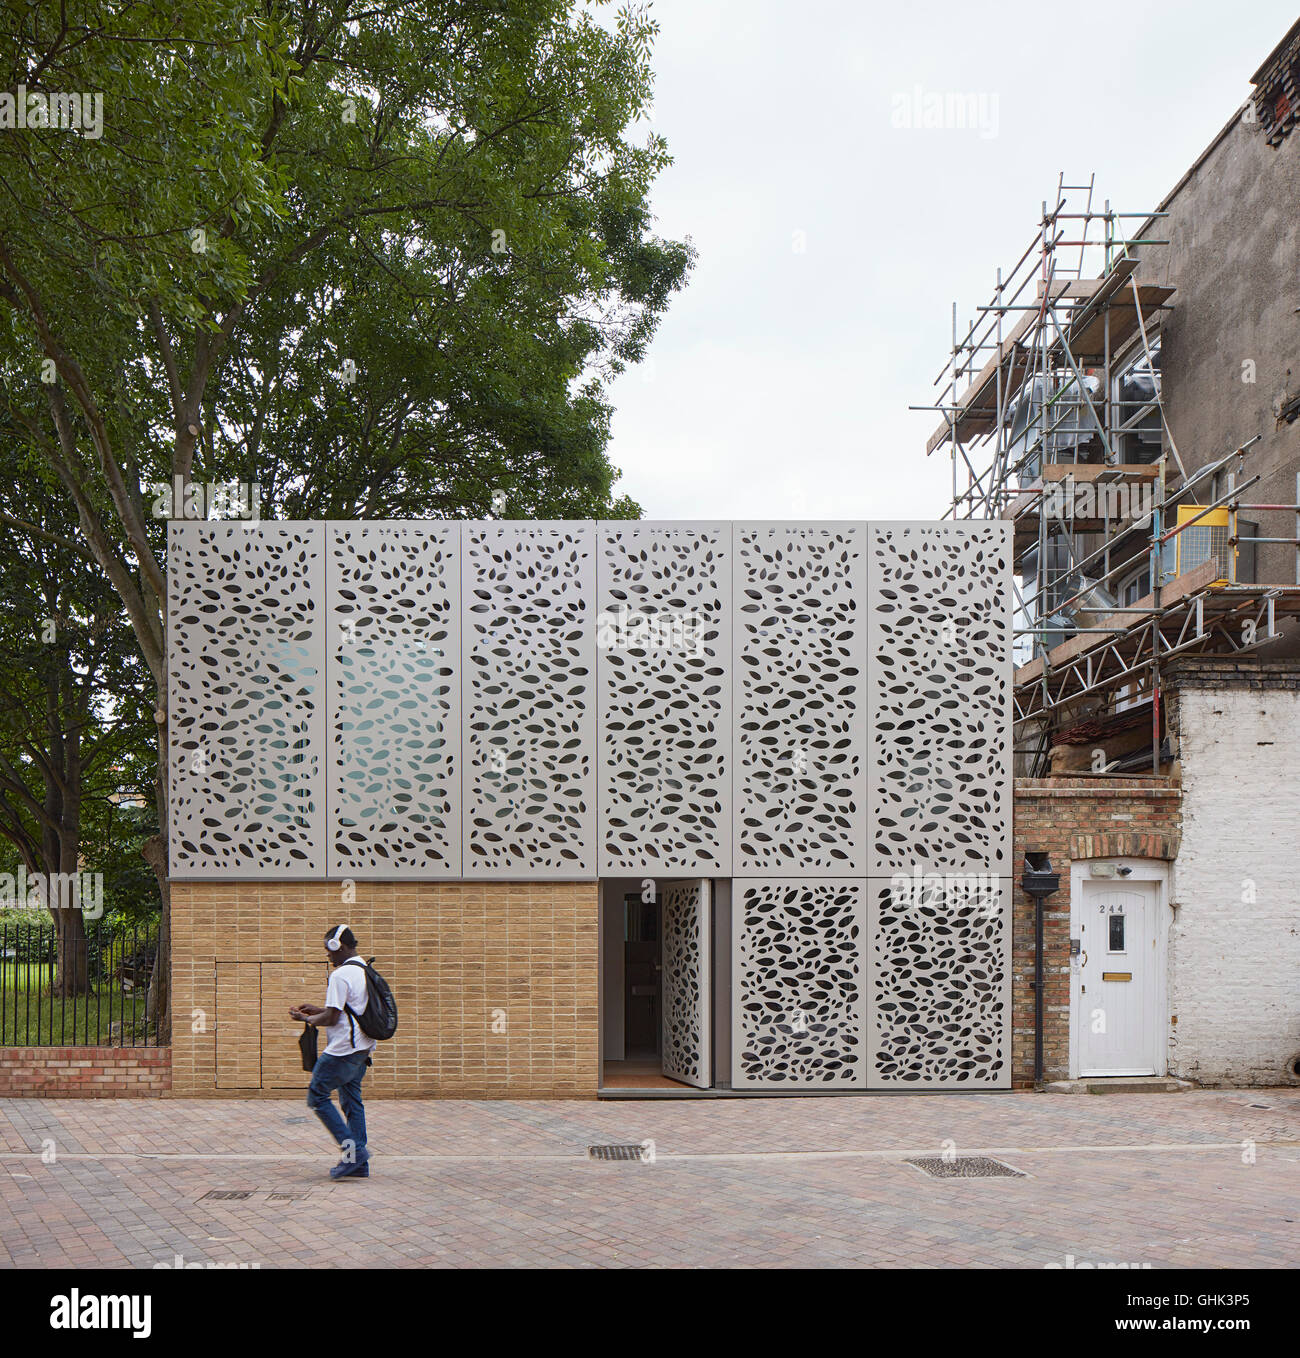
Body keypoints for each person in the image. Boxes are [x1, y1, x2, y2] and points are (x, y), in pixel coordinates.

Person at [290, 925, 375, 1179]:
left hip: (342, 1050)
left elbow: (332, 1017)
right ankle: (358, 1163)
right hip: (363, 1046)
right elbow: (348, 1011)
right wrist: (318, 1010)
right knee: (351, 1101)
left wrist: (306, 1020)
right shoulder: (365, 970)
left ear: (340, 947)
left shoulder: (340, 975)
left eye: (329, 949)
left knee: (317, 1096)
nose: (327, 955)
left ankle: (355, 1154)